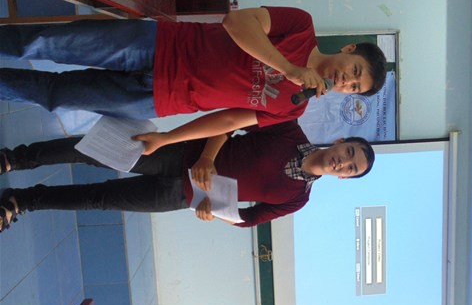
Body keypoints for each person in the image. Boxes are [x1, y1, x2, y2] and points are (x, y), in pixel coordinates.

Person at [0, 7, 387, 143]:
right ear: (349, 49)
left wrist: (168, 139)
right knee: (45, 42)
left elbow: (229, 121)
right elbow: (236, 22)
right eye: (353, 72)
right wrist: (288, 68)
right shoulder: (301, 26)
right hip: (158, 44)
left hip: (157, 99)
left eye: (353, 88)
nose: (345, 82)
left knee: (55, 95)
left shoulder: (294, 108)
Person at [0, 121, 375, 231]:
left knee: (98, 199)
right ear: (340, 141)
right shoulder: (289, 131)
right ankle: (14, 159)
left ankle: (23, 202)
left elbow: (248, 218)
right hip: (180, 153)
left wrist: (216, 212)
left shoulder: (297, 199)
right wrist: (208, 157)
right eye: (349, 153)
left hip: (180, 197)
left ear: (344, 179)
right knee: (93, 151)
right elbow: (229, 122)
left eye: (351, 168)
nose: (343, 163)